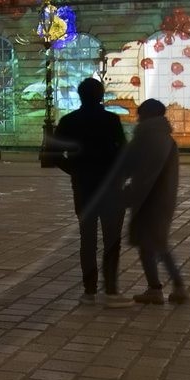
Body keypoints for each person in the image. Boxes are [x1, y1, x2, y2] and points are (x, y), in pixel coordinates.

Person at [50, 78, 128, 306]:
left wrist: (74, 170)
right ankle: (112, 289)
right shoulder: (111, 120)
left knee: (88, 239)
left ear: (80, 95)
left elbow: (54, 155)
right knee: (112, 239)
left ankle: (90, 290)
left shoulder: (69, 121)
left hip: (84, 187)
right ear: (101, 95)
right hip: (111, 187)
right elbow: (123, 152)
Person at [117, 99, 188, 304]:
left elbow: (129, 166)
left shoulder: (145, 137)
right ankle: (167, 286)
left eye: (140, 114)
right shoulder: (166, 137)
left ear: (145, 115)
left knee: (152, 243)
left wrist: (124, 193)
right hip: (164, 197)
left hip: (148, 199)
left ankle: (163, 287)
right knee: (154, 242)